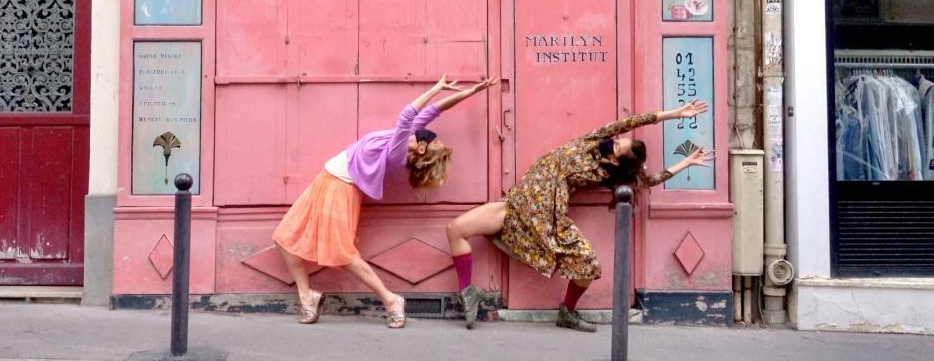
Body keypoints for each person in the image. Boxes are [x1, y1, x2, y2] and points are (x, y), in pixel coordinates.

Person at [445, 99, 714, 331]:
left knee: (589, 266)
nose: (613, 143)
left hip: (549, 216)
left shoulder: (603, 173)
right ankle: (469, 291)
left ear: (616, 162)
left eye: (617, 148)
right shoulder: (593, 140)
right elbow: (633, 121)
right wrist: (675, 114)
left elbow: (648, 180)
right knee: (455, 229)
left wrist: (685, 163)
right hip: (517, 203)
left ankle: (568, 312)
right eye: (618, 140)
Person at [273, 75, 497, 329]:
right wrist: (471, 92)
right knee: (284, 238)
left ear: (421, 149)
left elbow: (406, 115)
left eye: (433, 141)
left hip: (339, 186)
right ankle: (307, 296)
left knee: (343, 254)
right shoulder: (408, 138)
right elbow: (435, 110)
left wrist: (435, 87)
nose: (428, 134)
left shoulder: (398, 150)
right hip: (327, 179)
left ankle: (391, 301)